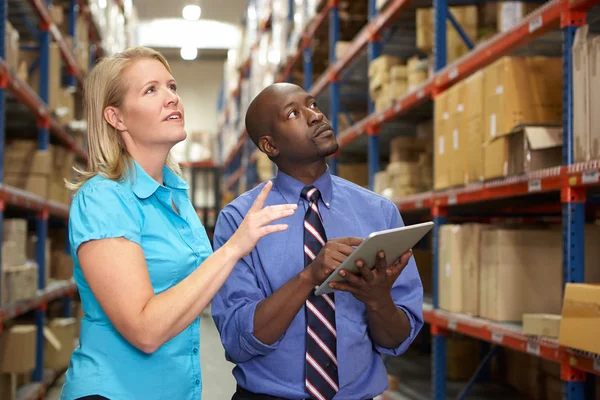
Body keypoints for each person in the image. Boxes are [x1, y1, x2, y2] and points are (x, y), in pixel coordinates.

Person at [61, 47, 297, 400]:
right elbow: (145, 329)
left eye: (171, 86)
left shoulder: (174, 196)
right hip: (114, 392)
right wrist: (233, 248)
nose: (172, 98)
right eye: (151, 90)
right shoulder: (103, 199)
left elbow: (200, 289)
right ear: (116, 117)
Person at [212, 82, 424, 400]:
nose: (316, 116)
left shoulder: (379, 212)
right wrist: (309, 275)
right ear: (270, 146)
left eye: (313, 104)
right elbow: (238, 340)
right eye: (294, 113)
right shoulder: (240, 220)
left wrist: (378, 298)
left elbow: (397, 341)